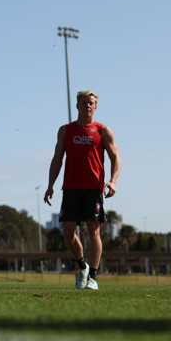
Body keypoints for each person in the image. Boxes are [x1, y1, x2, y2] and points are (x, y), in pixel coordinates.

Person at [44, 90, 120, 290]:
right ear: (77, 106)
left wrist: (112, 181)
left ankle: (93, 278)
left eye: (91, 103)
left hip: (94, 188)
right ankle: (82, 265)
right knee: (68, 232)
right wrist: (50, 185)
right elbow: (57, 159)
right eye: (84, 102)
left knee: (93, 231)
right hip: (70, 188)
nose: (88, 106)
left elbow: (115, 158)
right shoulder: (65, 130)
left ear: (96, 107)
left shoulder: (103, 130)